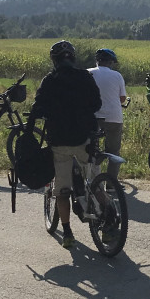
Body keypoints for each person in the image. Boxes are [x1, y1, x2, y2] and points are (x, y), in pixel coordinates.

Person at [31, 41, 102, 249]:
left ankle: (68, 233)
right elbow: (97, 103)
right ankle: (108, 224)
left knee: (62, 189)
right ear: (73, 57)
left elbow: (38, 107)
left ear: (55, 60)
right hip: (84, 138)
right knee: (95, 181)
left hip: (59, 140)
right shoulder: (85, 77)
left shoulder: (50, 80)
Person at [88, 48, 127, 180]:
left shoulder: (88, 73)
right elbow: (122, 98)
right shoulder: (117, 75)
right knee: (113, 151)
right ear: (111, 62)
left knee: (92, 149)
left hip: (93, 117)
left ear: (97, 61)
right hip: (114, 117)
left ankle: (94, 180)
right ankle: (111, 183)